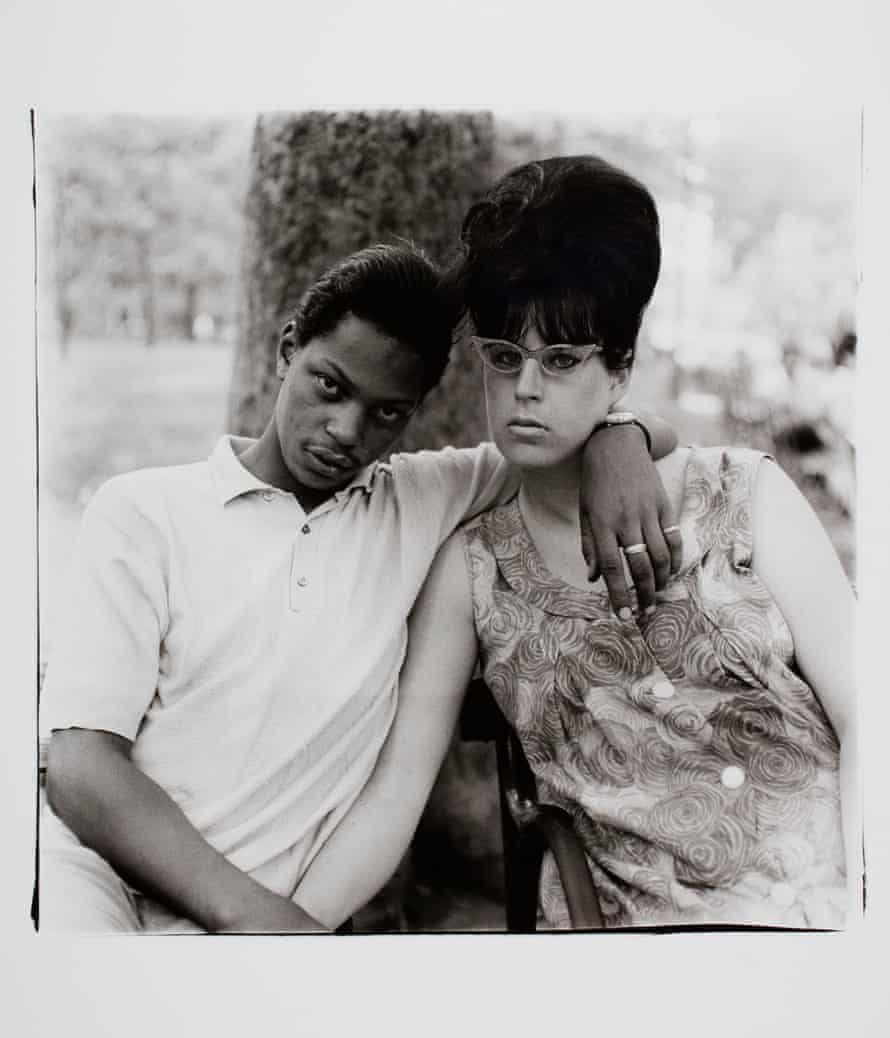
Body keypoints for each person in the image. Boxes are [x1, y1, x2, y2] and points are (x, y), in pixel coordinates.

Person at [39, 242, 680, 933]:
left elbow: (572, 437)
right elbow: (80, 763)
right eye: (330, 386)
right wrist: (250, 916)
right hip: (96, 880)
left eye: (387, 413)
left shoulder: (420, 499)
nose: (345, 432)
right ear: (289, 348)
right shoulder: (144, 511)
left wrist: (624, 432)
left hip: (255, 930)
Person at [293, 158, 857, 930]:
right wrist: (268, 935)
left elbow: (869, 715)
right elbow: (396, 792)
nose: (525, 389)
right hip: (629, 933)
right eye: (503, 357)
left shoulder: (745, 493)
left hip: (833, 900)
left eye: (560, 361)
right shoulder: (473, 567)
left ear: (620, 369)